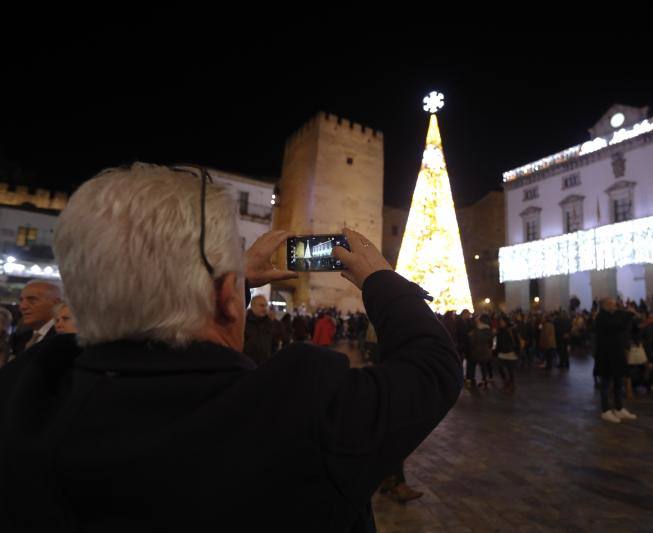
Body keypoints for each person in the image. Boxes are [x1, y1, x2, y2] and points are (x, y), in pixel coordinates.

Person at [0, 163, 462, 531]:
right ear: (226, 297)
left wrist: (229, 280)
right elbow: (434, 366)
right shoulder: (300, 412)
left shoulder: (25, 400)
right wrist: (380, 278)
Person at [594, 298, 637, 423]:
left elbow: (621, 322)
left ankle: (619, 408)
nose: (615, 306)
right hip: (606, 354)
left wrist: (628, 314)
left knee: (618, 380)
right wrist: (629, 316)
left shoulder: (613, 314)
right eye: (612, 304)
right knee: (606, 383)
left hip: (616, 352)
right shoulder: (601, 317)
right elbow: (616, 326)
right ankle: (605, 410)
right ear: (605, 305)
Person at [8, 281, 61, 359]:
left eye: (32, 300)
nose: (23, 306)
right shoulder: (21, 338)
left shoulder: (63, 338)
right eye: (21, 300)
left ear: (56, 303)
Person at [243, 295, 273, 365]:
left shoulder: (270, 323)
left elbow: (273, 343)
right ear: (253, 306)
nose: (264, 308)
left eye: (266, 306)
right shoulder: (244, 322)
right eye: (261, 305)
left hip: (264, 364)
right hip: (246, 363)